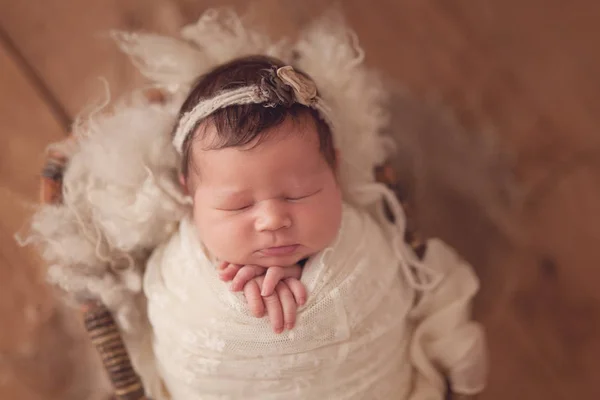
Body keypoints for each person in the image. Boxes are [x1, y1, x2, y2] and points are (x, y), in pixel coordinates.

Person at [141, 54, 487, 399]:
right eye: (240, 205)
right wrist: (232, 293)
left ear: (334, 170)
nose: (273, 219)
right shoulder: (181, 267)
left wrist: (299, 271)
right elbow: (174, 315)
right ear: (189, 193)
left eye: (297, 194)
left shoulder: (365, 244)